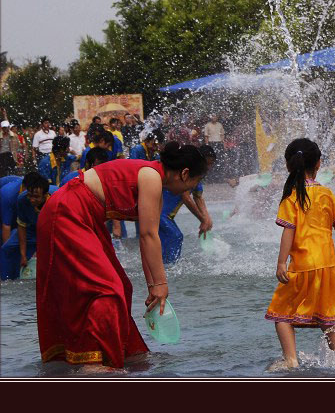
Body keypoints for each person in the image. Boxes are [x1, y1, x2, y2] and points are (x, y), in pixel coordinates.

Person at [36, 142, 208, 368]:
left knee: (123, 287)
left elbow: (149, 241)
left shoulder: (156, 184)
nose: (192, 187)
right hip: (68, 212)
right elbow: (147, 236)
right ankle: (93, 361)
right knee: (108, 289)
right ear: (185, 173)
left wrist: (153, 287)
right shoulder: (151, 176)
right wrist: (161, 284)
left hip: (86, 217)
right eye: (195, 181)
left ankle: (124, 352)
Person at [266, 138, 335, 370]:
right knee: (328, 318)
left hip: (301, 266)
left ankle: (291, 360)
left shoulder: (292, 197)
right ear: (319, 163)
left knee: (281, 314)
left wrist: (281, 263)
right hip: (327, 266)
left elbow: (288, 232)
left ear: (289, 166)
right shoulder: (326, 194)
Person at [159, 145, 215, 264]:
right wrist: (202, 219)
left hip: (167, 216)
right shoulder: (186, 174)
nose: (209, 168)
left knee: (171, 239)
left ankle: (166, 264)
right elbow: (185, 197)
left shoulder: (197, 177)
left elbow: (198, 197)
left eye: (211, 164)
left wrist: (207, 218)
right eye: (207, 164)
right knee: (175, 236)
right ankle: (169, 267)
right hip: (160, 213)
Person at [0, 174, 57, 280]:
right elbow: (21, 226)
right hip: (31, 229)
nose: (31, 200)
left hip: (54, 231)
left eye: (36, 197)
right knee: (6, 249)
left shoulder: (57, 199)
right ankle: (7, 280)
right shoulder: (22, 199)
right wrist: (23, 255)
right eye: (29, 195)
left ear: (45, 195)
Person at [1, 172, 43, 245]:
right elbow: (6, 226)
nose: (33, 198)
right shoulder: (8, 195)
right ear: (24, 187)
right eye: (31, 194)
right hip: (4, 198)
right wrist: (7, 252)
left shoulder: (41, 190)